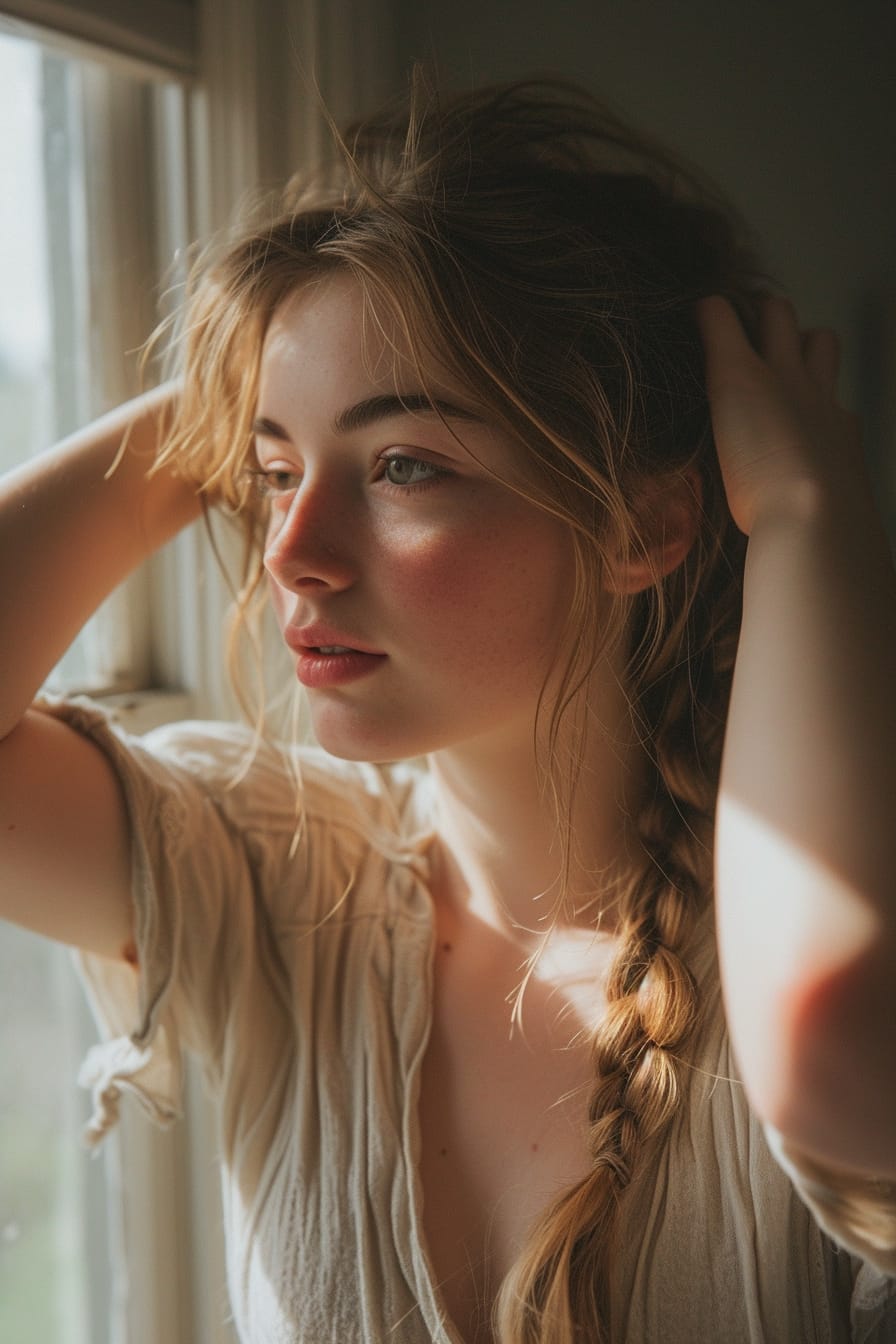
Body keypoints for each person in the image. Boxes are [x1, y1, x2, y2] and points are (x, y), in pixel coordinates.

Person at [1, 74, 895, 1344]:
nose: (291, 551)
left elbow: (834, 1060)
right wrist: (248, 383)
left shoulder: (812, 929)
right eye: (270, 475)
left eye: (404, 465)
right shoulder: (275, 882)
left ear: (642, 522)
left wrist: (809, 515)